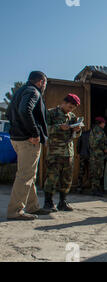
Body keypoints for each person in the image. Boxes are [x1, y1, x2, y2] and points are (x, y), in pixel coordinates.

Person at [6, 71, 52, 220]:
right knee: (25, 175)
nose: (45, 85)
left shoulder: (20, 91)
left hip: (17, 138)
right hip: (28, 140)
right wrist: (34, 133)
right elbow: (24, 110)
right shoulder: (33, 92)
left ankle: (33, 207)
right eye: (45, 82)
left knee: (30, 173)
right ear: (41, 82)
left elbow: (9, 113)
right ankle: (15, 211)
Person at [43, 94, 82, 212]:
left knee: (67, 179)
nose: (71, 109)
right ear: (64, 102)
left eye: (73, 108)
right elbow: (45, 129)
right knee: (52, 178)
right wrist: (59, 127)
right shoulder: (51, 113)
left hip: (68, 152)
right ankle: (48, 202)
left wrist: (78, 130)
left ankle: (62, 202)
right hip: (55, 152)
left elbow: (77, 135)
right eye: (70, 106)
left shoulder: (72, 116)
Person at [89, 117, 107, 197]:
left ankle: (96, 189)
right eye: (104, 123)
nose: (105, 125)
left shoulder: (94, 130)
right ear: (101, 123)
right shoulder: (98, 131)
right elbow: (98, 142)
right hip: (97, 155)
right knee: (97, 173)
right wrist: (105, 149)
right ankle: (95, 190)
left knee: (96, 173)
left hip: (95, 154)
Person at [76, 128, 91, 193]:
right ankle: (92, 187)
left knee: (81, 171)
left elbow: (78, 144)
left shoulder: (83, 134)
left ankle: (79, 186)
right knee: (91, 172)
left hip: (83, 154)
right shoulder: (94, 134)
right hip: (91, 155)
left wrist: (78, 152)